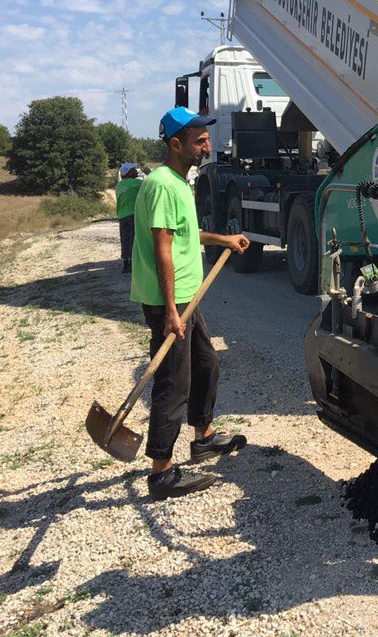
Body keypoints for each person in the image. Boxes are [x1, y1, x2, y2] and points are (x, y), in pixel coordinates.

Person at [131, 106, 251, 500]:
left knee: (206, 362)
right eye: (199, 141)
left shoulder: (180, 182)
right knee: (173, 381)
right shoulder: (164, 184)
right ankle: (161, 472)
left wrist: (224, 241)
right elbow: (163, 248)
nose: (207, 146)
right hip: (171, 301)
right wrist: (169, 311)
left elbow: (187, 236)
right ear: (176, 143)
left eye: (207, 139)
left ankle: (203, 437)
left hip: (185, 298)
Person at [114, 163, 143, 273]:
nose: (136, 171)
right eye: (133, 170)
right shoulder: (136, 183)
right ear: (128, 173)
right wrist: (149, 173)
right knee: (133, 239)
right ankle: (132, 264)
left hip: (122, 216)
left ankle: (125, 263)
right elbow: (151, 184)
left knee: (125, 239)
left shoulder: (119, 185)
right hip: (132, 215)